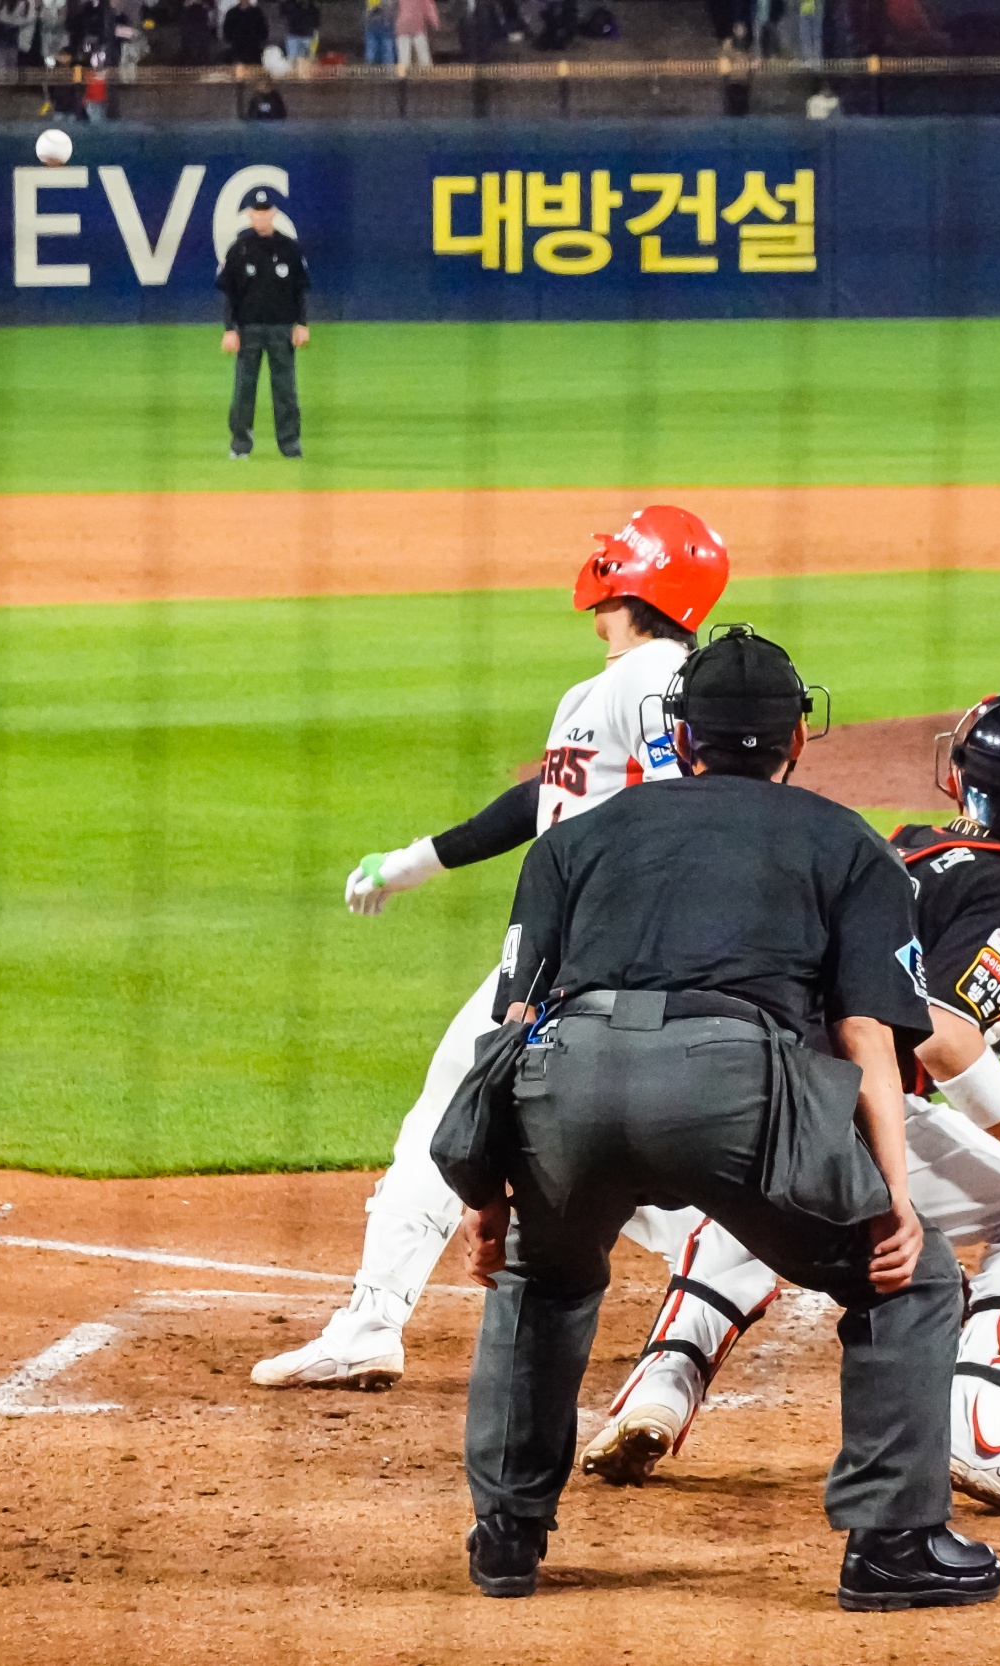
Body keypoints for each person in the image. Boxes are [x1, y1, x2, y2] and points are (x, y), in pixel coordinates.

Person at [461, 625, 1000, 1612]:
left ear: (679, 735)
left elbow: (511, 1026)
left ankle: (507, 1537)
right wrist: (891, 1199)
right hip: (734, 1090)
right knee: (912, 1278)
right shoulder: (850, 844)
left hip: (567, 1083)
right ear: (796, 736)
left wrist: (486, 1193)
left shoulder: (574, 839)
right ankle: (892, 1546)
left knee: (543, 1276)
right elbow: (868, 1037)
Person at [577, 684, 1000, 1518]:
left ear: (955, 778)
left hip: (731, 1086)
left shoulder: (896, 848)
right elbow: (940, 1033)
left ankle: (657, 1394)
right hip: (844, 1099)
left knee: (762, 1201)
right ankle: (978, 1430)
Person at [250, 506, 732, 1393]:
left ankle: (371, 1324)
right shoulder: (618, 687)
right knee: (553, 1126)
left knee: (494, 1122)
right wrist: (413, 862)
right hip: (588, 947)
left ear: (635, 577)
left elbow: (684, 803)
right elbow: (542, 803)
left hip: (591, 954)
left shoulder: (653, 677)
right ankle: (373, 1322)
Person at [217, 185, 309, 460]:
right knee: (244, 390)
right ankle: (240, 445)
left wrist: (301, 324)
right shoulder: (239, 249)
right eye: (256, 212)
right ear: (249, 215)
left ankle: (290, 445)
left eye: (266, 211)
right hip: (248, 330)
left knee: (285, 391)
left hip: (282, 329)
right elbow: (230, 295)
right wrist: (230, 329)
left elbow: (299, 291)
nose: (261, 216)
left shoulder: (290, 249)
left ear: (274, 213)